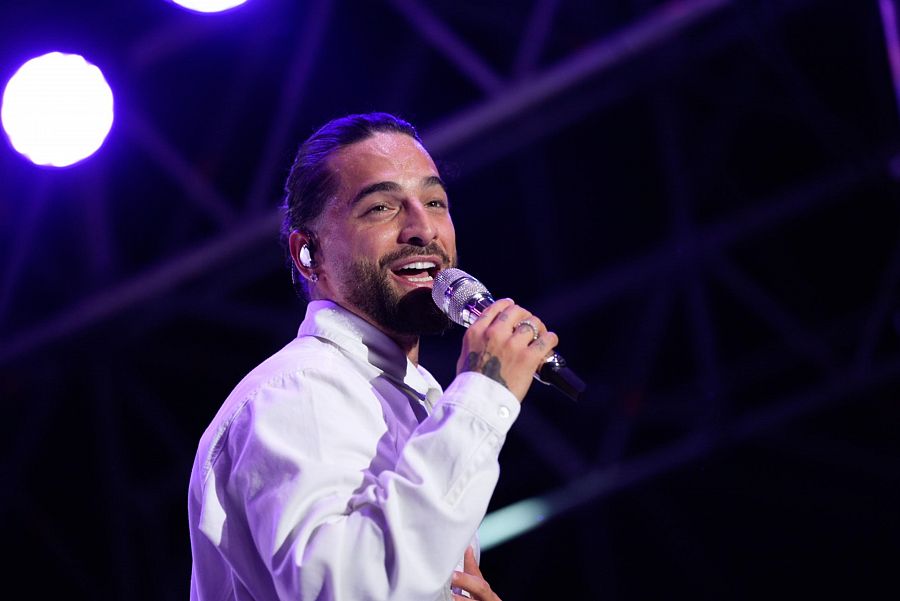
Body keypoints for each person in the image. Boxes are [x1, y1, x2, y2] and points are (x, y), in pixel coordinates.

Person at [188, 112, 559, 601]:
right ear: (308, 254)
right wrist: (482, 396)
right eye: (382, 207)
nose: (422, 229)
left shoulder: (415, 396)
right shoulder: (299, 390)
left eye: (434, 201)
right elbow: (345, 590)